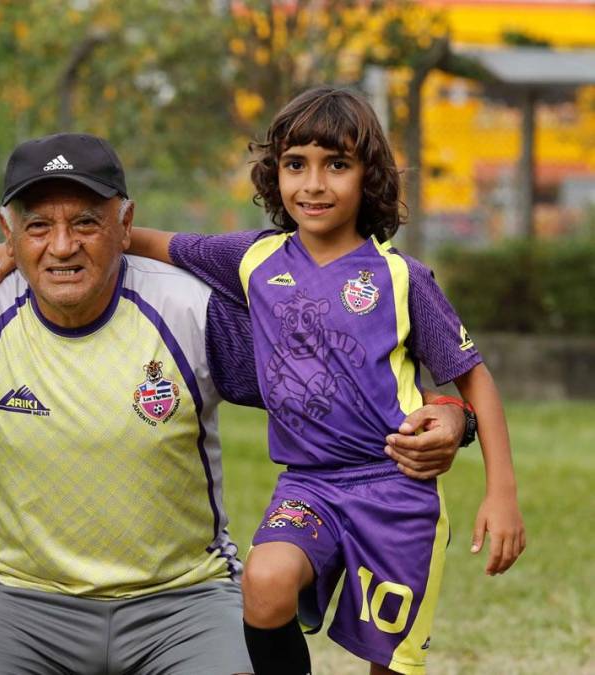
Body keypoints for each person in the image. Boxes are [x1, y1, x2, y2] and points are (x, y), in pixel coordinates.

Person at [0, 132, 470, 674]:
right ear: (7, 231)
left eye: (85, 220)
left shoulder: (189, 309)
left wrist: (451, 417)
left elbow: (331, 379)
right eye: (38, 224)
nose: (62, 245)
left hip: (182, 602)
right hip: (19, 602)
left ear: (123, 221)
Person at [128, 87, 526, 675]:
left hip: (397, 490)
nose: (313, 184)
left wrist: (502, 493)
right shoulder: (253, 259)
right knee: (264, 582)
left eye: (336, 165)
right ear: (274, 175)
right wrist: (17, 247)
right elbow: (150, 243)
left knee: (388, 663)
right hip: (308, 486)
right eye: (296, 165)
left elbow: (476, 381)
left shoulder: (401, 278)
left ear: (369, 178)